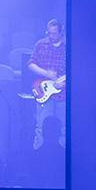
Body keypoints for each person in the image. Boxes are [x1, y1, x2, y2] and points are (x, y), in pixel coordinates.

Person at [28, 19, 67, 150]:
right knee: (40, 126)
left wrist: (63, 82)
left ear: (61, 32)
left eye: (54, 33)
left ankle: (61, 154)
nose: (51, 36)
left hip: (63, 93)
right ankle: (39, 153)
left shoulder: (68, 47)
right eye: (49, 33)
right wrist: (46, 74)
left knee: (62, 127)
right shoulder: (41, 44)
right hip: (44, 90)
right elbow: (31, 64)